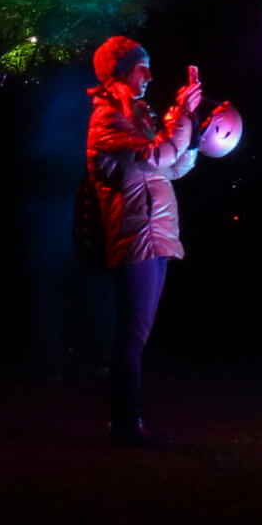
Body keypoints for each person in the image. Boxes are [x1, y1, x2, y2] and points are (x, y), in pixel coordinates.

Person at [85, 35, 203, 447]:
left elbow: (168, 165)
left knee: (139, 333)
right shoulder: (107, 120)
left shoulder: (135, 113)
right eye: (142, 67)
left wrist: (195, 134)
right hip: (136, 233)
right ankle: (125, 427)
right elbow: (156, 156)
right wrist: (181, 113)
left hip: (154, 233)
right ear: (120, 72)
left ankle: (129, 425)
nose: (150, 76)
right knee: (133, 334)